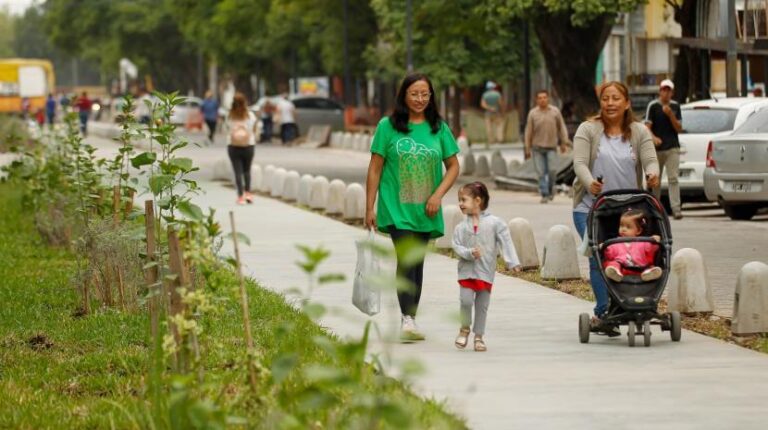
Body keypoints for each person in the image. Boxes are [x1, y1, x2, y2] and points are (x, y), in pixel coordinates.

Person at [365, 72, 460, 342]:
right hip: (396, 207)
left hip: (426, 208)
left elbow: (453, 166)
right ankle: (408, 319)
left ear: (431, 97)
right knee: (407, 259)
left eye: (424, 94)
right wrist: (369, 207)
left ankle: (411, 318)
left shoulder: (438, 128)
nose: (419, 99)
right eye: (414, 94)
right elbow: (375, 168)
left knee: (416, 263)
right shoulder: (387, 126)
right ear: (404, 96)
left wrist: (437, 195)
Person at [572, 81, 659, 334]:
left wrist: (652, 174)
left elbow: (650, 160)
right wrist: (590, 183)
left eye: (615, 98)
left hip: (628, 210)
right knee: (599, 256)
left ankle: (630, 302)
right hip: (590, 207)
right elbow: (579, 163)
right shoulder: (587, 129)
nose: (610, 103)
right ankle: (604, 311)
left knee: (633, 255)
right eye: (605, 99)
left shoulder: (639, 131)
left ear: (627, 103)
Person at [452, 181, 521, 352]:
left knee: (482, 306)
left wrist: (512, 262)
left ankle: (478, 337)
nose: (460, 204)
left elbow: (506, 241)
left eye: (463, 200)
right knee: (466, 301)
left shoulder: (495, 223)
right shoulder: (461, 227)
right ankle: (464, 328)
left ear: (477, 201)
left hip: (485, 272)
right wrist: (468, 253)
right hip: (466, 272)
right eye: (459, 200)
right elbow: (456, 245)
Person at [645, 79, 683, 219]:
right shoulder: (653, 106)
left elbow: (679, 128)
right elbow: (647, 127)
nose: (666, 93)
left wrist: (670, 115)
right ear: (660, 91)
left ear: (672, 92)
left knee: (673, 178)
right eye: (663, 90)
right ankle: (655, 209)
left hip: (672, 146)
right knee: (656, 180)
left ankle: (676, 209)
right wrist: (653, 138)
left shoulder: (675, 106)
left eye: (668, 90)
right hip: (657, 149)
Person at [524, 90, 571, 203]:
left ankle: (550, 190)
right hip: (537, 148)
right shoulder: (533, 113)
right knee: (540, 172)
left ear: (548, 98)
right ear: (536, 100)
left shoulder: (555, 112)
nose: (542, 100)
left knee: (552, 171)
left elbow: (562, 128)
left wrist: (564, 142)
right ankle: (544, 194)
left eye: (544, 97)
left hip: (551, 148)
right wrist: (527, 147)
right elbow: (528, 131)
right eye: (540, 98)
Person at [601, 209, 662, 282]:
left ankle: (649, 274)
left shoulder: (643, 242)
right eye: (621, 225)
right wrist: (604, 247)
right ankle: (615, 273)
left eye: (628, 227)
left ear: (638, 231)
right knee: (613, 263)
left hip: (642, 268)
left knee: (650, 267)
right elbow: (610, 254)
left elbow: (651, 249)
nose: (623, 229)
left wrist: (654, 241)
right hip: (622, 269)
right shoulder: (616, 242)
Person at [223, 92, 258, 205]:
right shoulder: (250, 115)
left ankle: (240, 196)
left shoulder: (229, 116)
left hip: (233, 146)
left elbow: (226, 129)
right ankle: (248, 194)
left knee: (237, 171)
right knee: (247, 170)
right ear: (245, 103)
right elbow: (254, 129)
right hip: (249, 145)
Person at [480, 81, 505, 146]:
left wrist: (489, 108)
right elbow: (500, 103)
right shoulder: (497, 94)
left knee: (489, 127)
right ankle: (500, 139)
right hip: (496, 113)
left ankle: (491, 140)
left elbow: (483, 104)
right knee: (499, 125)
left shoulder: (485, 95)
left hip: (488, 113)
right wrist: (502, 111)